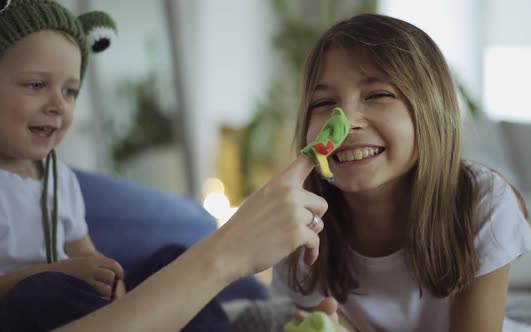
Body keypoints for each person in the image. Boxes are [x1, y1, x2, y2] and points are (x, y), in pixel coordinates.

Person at [0, 1, 326, 331]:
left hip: (79, 300)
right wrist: (59, 273)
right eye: (36, 85)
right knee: (38, 293)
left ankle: (225, 323)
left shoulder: (58, 177)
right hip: (29, 306)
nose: (58, 105)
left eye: (70, 91)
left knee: (171, 258)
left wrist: (112, 282)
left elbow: (84, 250)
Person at [271, 13, 531, 332]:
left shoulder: (482, 200)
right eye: (325, 102)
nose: (347, 122)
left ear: (430, 111)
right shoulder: (300, 231)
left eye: (378, 95)